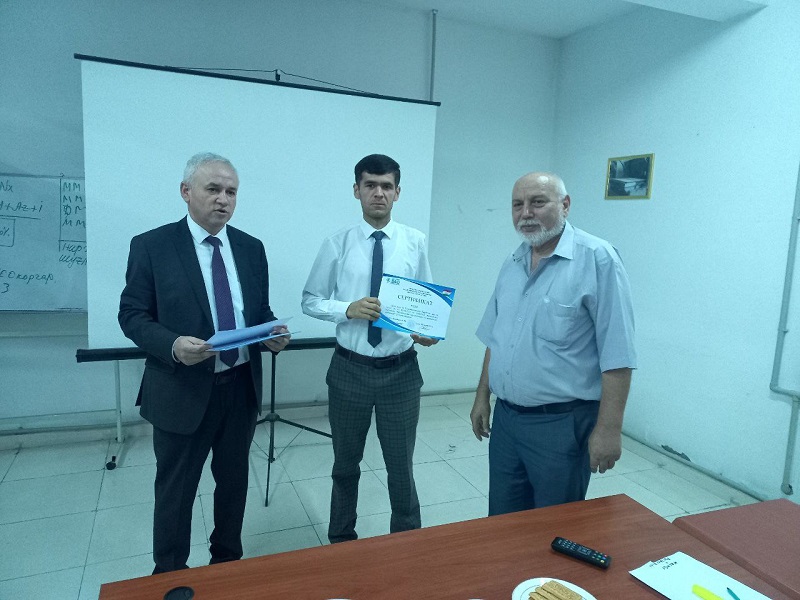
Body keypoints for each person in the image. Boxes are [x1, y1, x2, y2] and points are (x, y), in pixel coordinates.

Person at [118, 152, 289, 573]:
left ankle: (226, 566)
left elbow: (258, 310)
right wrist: (173, 344)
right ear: (186, 191)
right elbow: (132, 315)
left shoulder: (250, 248)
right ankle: (170, 573)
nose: (223, 200)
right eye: (213, 189)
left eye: (231, 192)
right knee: (176, 491)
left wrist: (272, 332)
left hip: (239, 389)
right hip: (181, 389)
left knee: (233, 484)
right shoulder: (152, 246)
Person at [470, 171, 636, 515]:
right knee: (502, 521)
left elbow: (618, 353)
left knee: (554, 524)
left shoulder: (598, 259)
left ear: (565, 205)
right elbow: (496, 338)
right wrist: (482, 396)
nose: (526, 213)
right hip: (507, 421)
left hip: (561, 425)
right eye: (517, 204)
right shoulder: (513, 262)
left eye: (537, 202)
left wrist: (609, 429)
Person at [302, 154, 438, 543]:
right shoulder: (337, 243)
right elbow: (310, 300)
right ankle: (342, 540)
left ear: (398, 192)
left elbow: (425, 303)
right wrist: (346, 308)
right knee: (345, 465)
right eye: (370, 185)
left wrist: (426, 331)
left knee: (401, 466)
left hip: (401, 372)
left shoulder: (414, 242)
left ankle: (405, 544)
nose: (379, 193)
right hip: (350, 371)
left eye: (386, 186)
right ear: (356, 190)